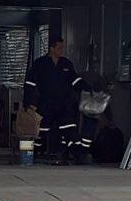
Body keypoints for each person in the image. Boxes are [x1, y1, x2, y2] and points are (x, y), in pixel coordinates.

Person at [24, 36, 87, 165]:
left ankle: (77, 155)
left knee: (69, 129)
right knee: (40, 130)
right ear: (51, 48)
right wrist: (28, 101)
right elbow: (30, 83)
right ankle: (32, 154)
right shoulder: (40, 64)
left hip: (64, 105)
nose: (61, 50)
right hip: (46, 103)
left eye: (62, 48)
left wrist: (87, 87)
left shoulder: (66, 64)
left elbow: (74, 80)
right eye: (59, 48)